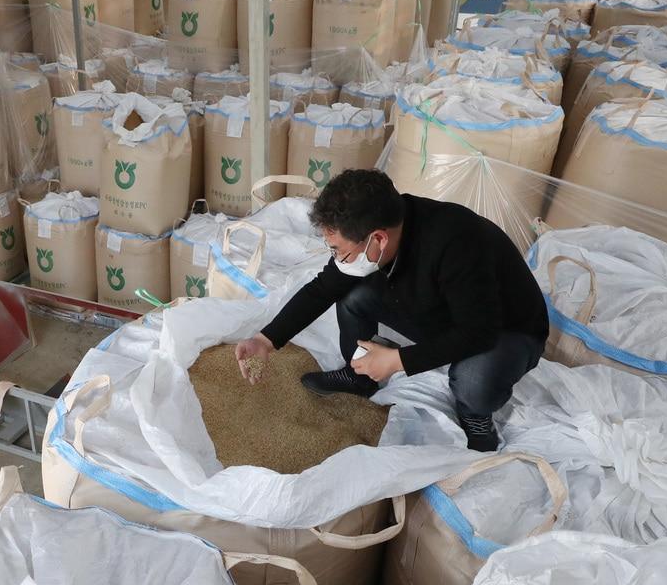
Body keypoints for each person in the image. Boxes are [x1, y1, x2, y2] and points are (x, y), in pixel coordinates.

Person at [234, 169, 549, 452]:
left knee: (471, 380)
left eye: (339, 251)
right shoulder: (378, 227)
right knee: (352, 295)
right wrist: (266, 340)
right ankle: (360, 377)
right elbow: (322, 288)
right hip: (440, 309)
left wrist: (398, 360)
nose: (336, 258)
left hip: (506, 328)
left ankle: (475, 416)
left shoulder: (456, 242)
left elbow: (479, 331)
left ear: (378, 239)